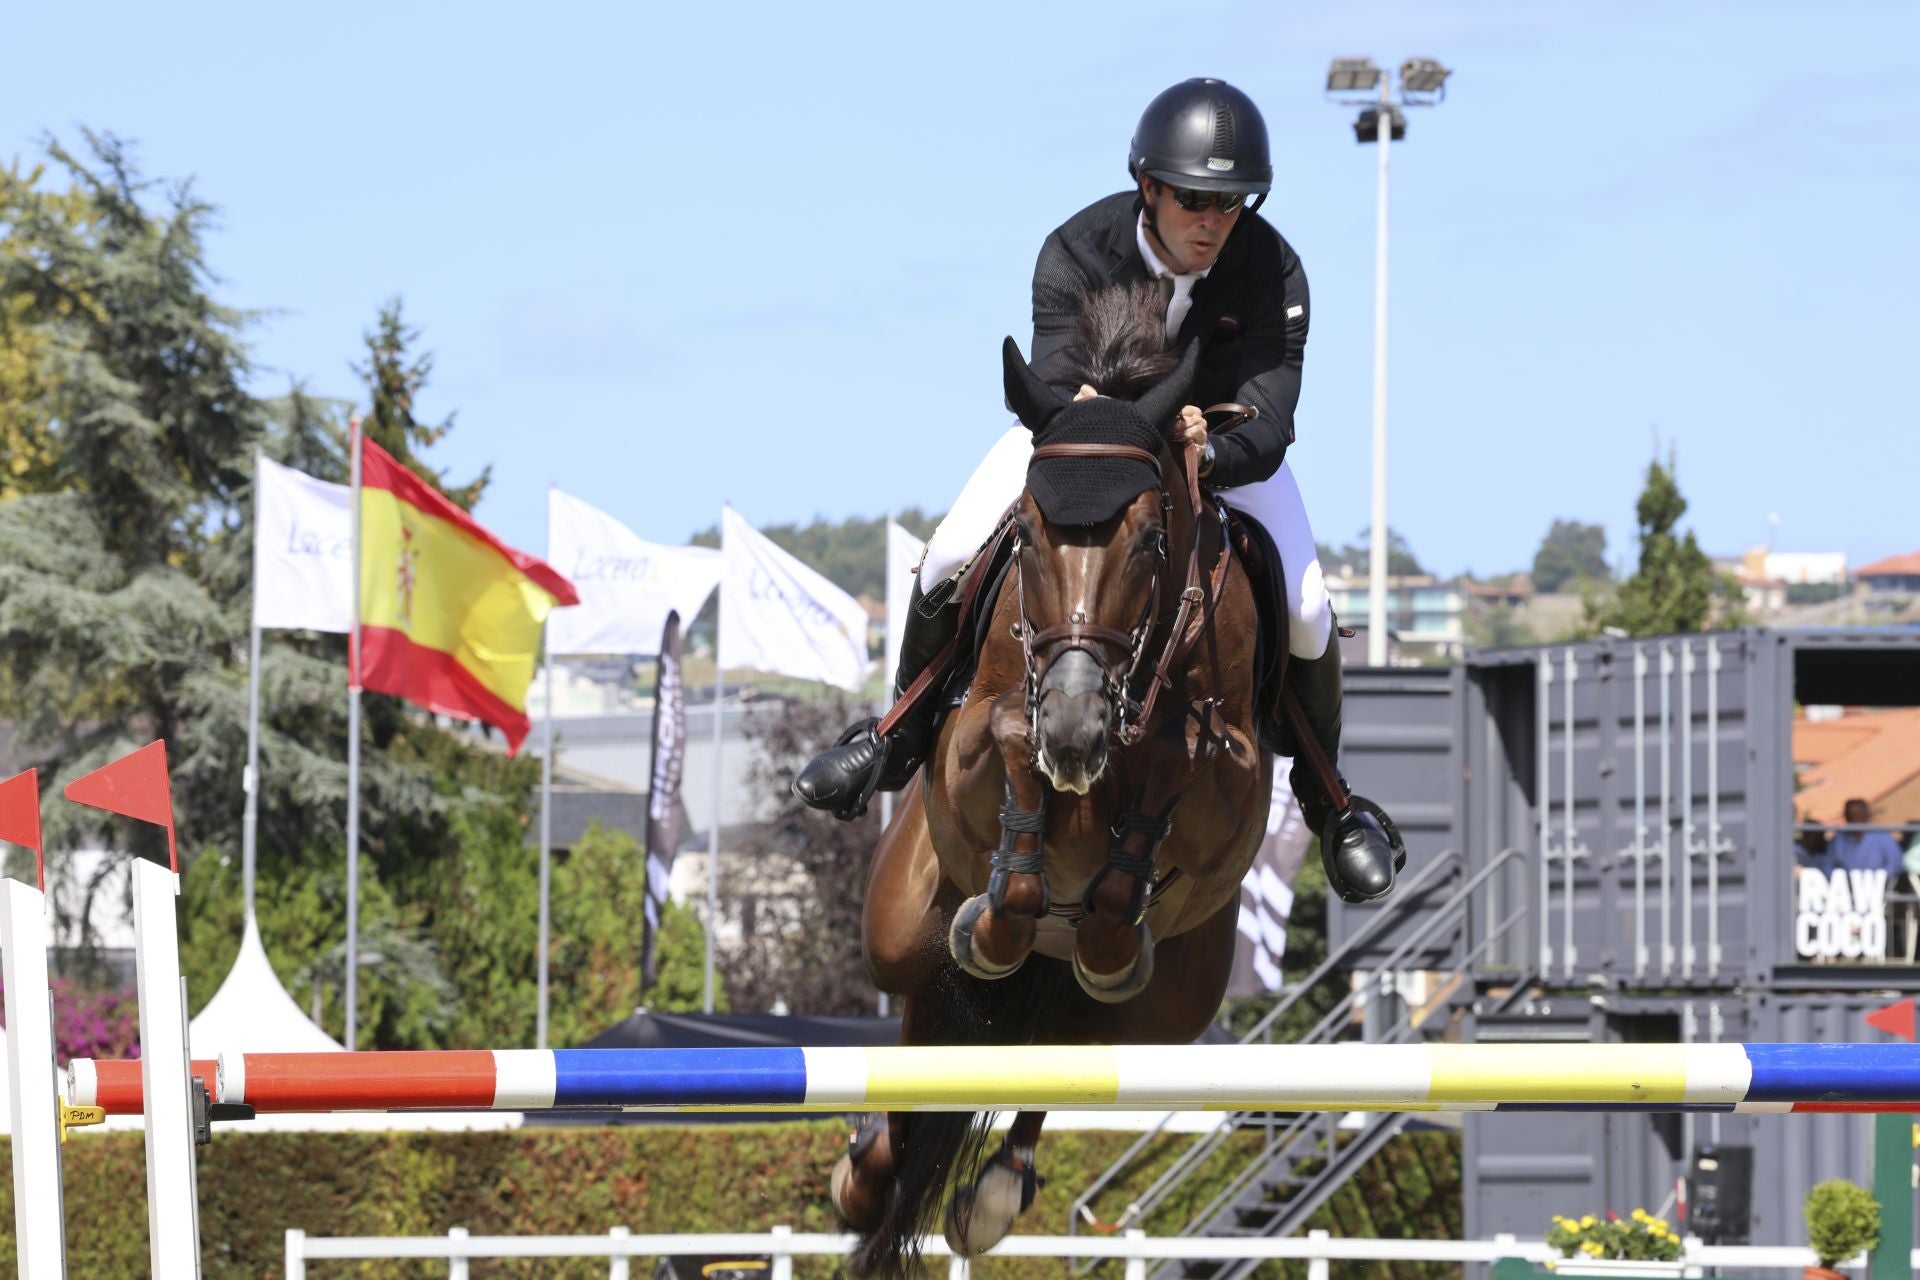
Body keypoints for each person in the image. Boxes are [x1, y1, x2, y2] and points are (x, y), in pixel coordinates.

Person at [794, 78, 1400, 904]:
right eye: (1193, 198)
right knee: (946, 556)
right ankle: (895, 739)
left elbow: (1272, 419)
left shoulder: (1272, 267)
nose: (1213, 220)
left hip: (1218, 452)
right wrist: (1115, 430)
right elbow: (1051, 385)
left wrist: (1208, 452)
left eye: (1230, 201)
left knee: (1305, 607)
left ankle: (1330, 802)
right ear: (1148, 187)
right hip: (1079, 446)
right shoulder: (1078, 249)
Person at [1829, 798, 1905, 876]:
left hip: (1878, 884)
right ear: (1846, 817)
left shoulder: (1882, 836)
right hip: (1845, 884)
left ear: (1867, 816)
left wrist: (1879, 877)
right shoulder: (1839, 839)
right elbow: (1830, 864)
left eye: (1858, 816)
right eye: (1851, 816)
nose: (1855, 821)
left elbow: (1895, 863)